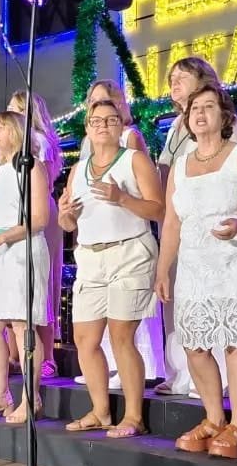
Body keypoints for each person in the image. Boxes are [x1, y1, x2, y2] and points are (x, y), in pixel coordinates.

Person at [157, 82, 237, 455]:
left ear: (224, 116)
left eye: (208, 106)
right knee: (194, 344)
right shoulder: (179, 166)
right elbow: (173, 222)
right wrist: (163, 269)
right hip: (195, 265)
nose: (200, 113)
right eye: (194, 108)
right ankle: (213, 418)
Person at [61, 97, 164, 438]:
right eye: (96, 120)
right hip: (90, 257)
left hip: (130, 254)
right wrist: (67, 216)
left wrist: (122, 198)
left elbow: (158, 210)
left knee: (121, 336)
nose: (103, 125)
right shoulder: (78, 168)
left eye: (111, 119)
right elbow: (67, 222)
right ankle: (101, 410)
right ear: (88, 129)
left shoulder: (134, 160)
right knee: (85, 339)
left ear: (121, 126)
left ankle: (134, 416)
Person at [154, 56, 237, 398]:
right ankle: (183, 374)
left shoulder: (227, 122)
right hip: (182, 224)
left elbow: (233, 174)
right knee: (185, 305)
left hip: (216, 228)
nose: (174, 83)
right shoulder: (177, 127)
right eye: (171, 78)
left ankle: (219, 380)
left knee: (216, 304)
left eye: (182, 76)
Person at [0, 111, 52, 423]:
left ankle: (31, 397)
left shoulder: (31, 166)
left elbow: (39, 219)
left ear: (16, 130)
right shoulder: (2, 170)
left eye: (1, 128)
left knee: (21, 325)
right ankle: (0, 394)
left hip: (22, 251)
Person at [7, 89, 64, 379]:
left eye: (17, 110)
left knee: (44, 280)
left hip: (40, 210)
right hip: (17, 212)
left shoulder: (37, 142)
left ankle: (48, 355)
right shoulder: (11, 147)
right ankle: (19, 352)